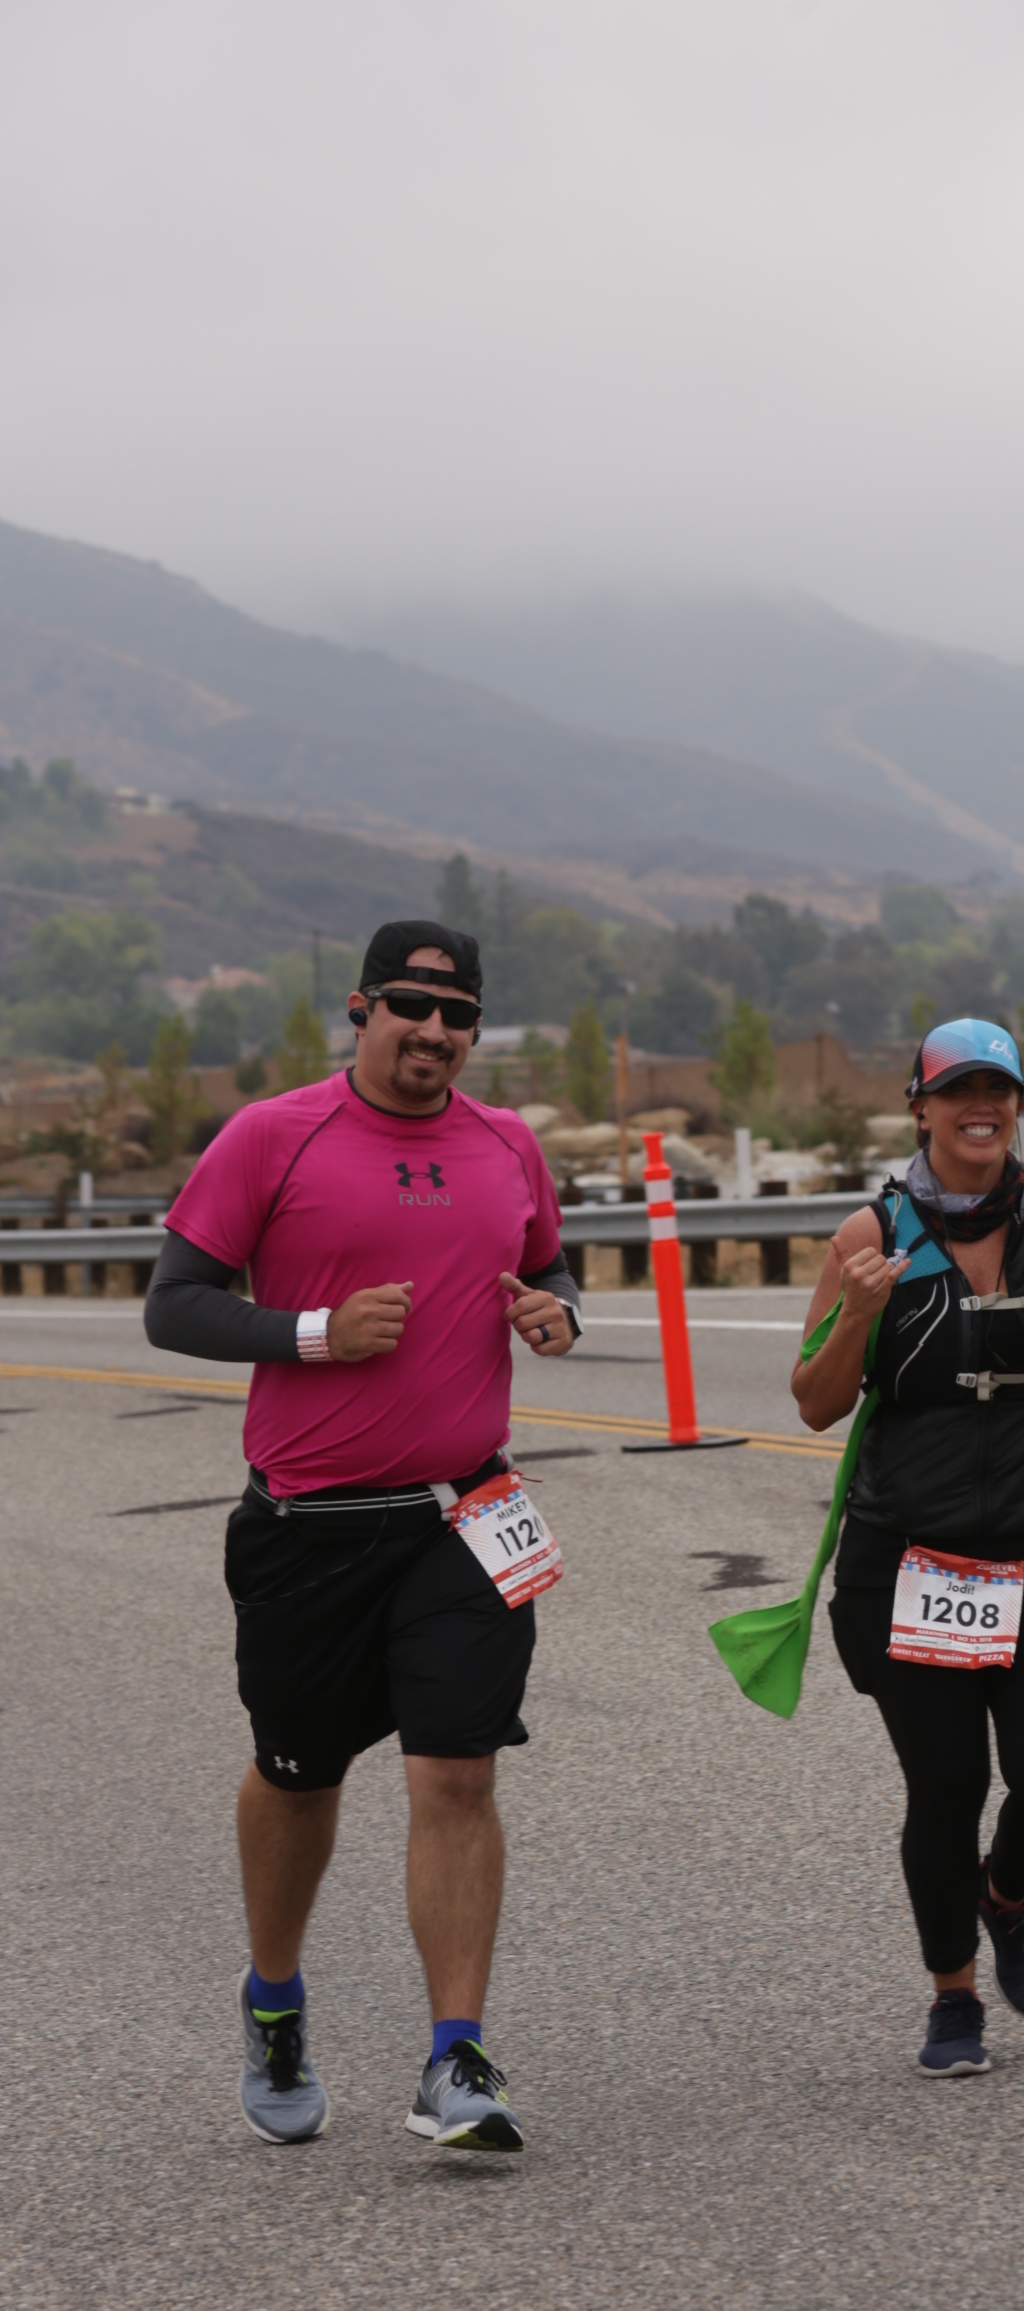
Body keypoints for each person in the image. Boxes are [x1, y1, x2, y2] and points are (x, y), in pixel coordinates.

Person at [145, 920, 583, 2152]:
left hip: (463, 1516)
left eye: (459, 1015)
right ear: (361, 1008)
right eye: (411, 1006)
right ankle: (274, 1999)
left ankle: (457, 2058)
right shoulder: (272, 1135)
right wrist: (315, 1334)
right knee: (299, 1775)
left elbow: (552, 1271)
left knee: (459, 1771)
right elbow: (173, 1305)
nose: (434, 1032)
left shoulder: (507, 1143)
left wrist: (557, 1315)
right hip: (309, 1528)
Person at [791, 1017, 1024, 2074]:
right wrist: (857, 1317)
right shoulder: (868, 1237)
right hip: (912, 1555)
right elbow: (814, 1402)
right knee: (946, 1786)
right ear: (921, 1108)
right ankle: (953, 1994)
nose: (980, 1108)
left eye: (997, 1089)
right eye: (957, 1091)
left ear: (1016, 1105)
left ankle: (1006, 1893)